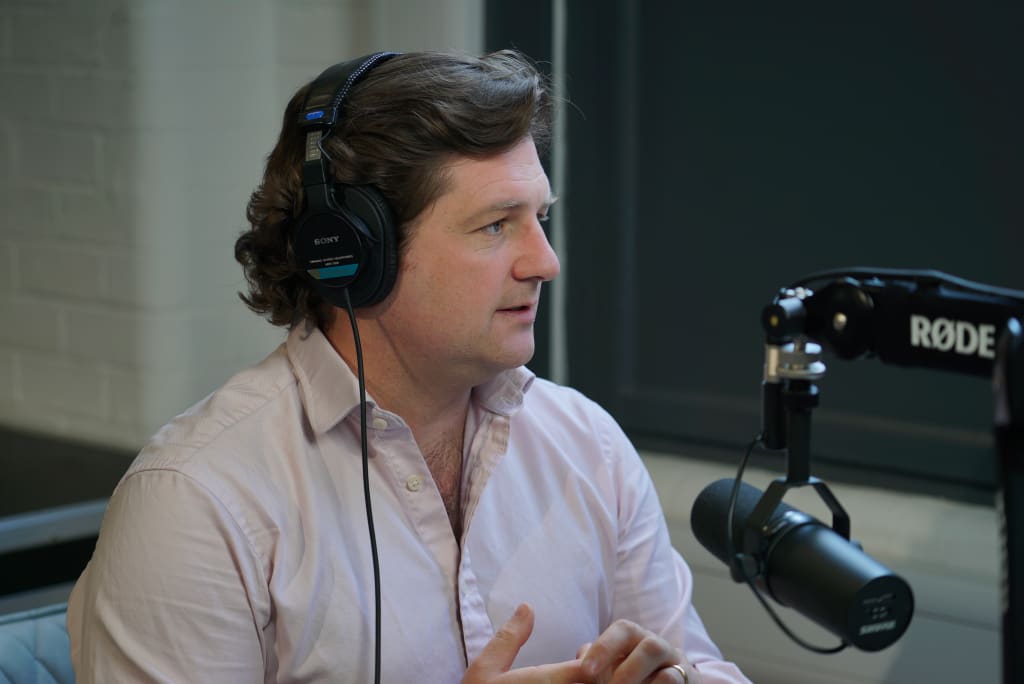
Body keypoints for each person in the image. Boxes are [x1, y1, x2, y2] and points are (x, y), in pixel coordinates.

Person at [67, 49, 751, 683]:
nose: (545, 261)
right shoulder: (196, 502)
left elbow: (698, 663)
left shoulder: (587, 442)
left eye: (541, 217)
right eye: (495, 225)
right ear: (352, 252)